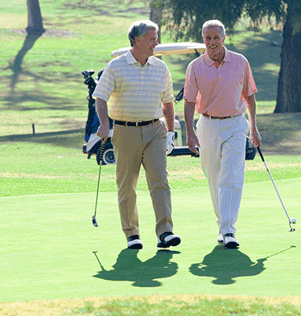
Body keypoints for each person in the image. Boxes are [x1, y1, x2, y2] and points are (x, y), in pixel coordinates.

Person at [93, 20, 180, 250]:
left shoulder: (161, 67)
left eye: (156, 37)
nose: (156, 43)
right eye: (152, 39)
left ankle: (165, 232)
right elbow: (100, 97)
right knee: (127, 185)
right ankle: (132, 234)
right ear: (136, 40)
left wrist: (170, 132)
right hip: (125, 130)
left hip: (154, 130)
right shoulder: (116, 66)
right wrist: (103, 123)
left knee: (160, 181)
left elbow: (168, 102)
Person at [184, 19, 261, 249]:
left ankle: (229, 230)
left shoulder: (240, 62)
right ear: (203, 39)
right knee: (214, 177)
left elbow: (250, 96)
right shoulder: (195, 67)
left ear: (223, 38)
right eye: (207, 38)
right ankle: (222, 224)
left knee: (231, 175)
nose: (212, 42)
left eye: (216, 37)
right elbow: (188, 101)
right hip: (208, 125)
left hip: (236, 124)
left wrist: (254, 127)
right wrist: (189, 132)